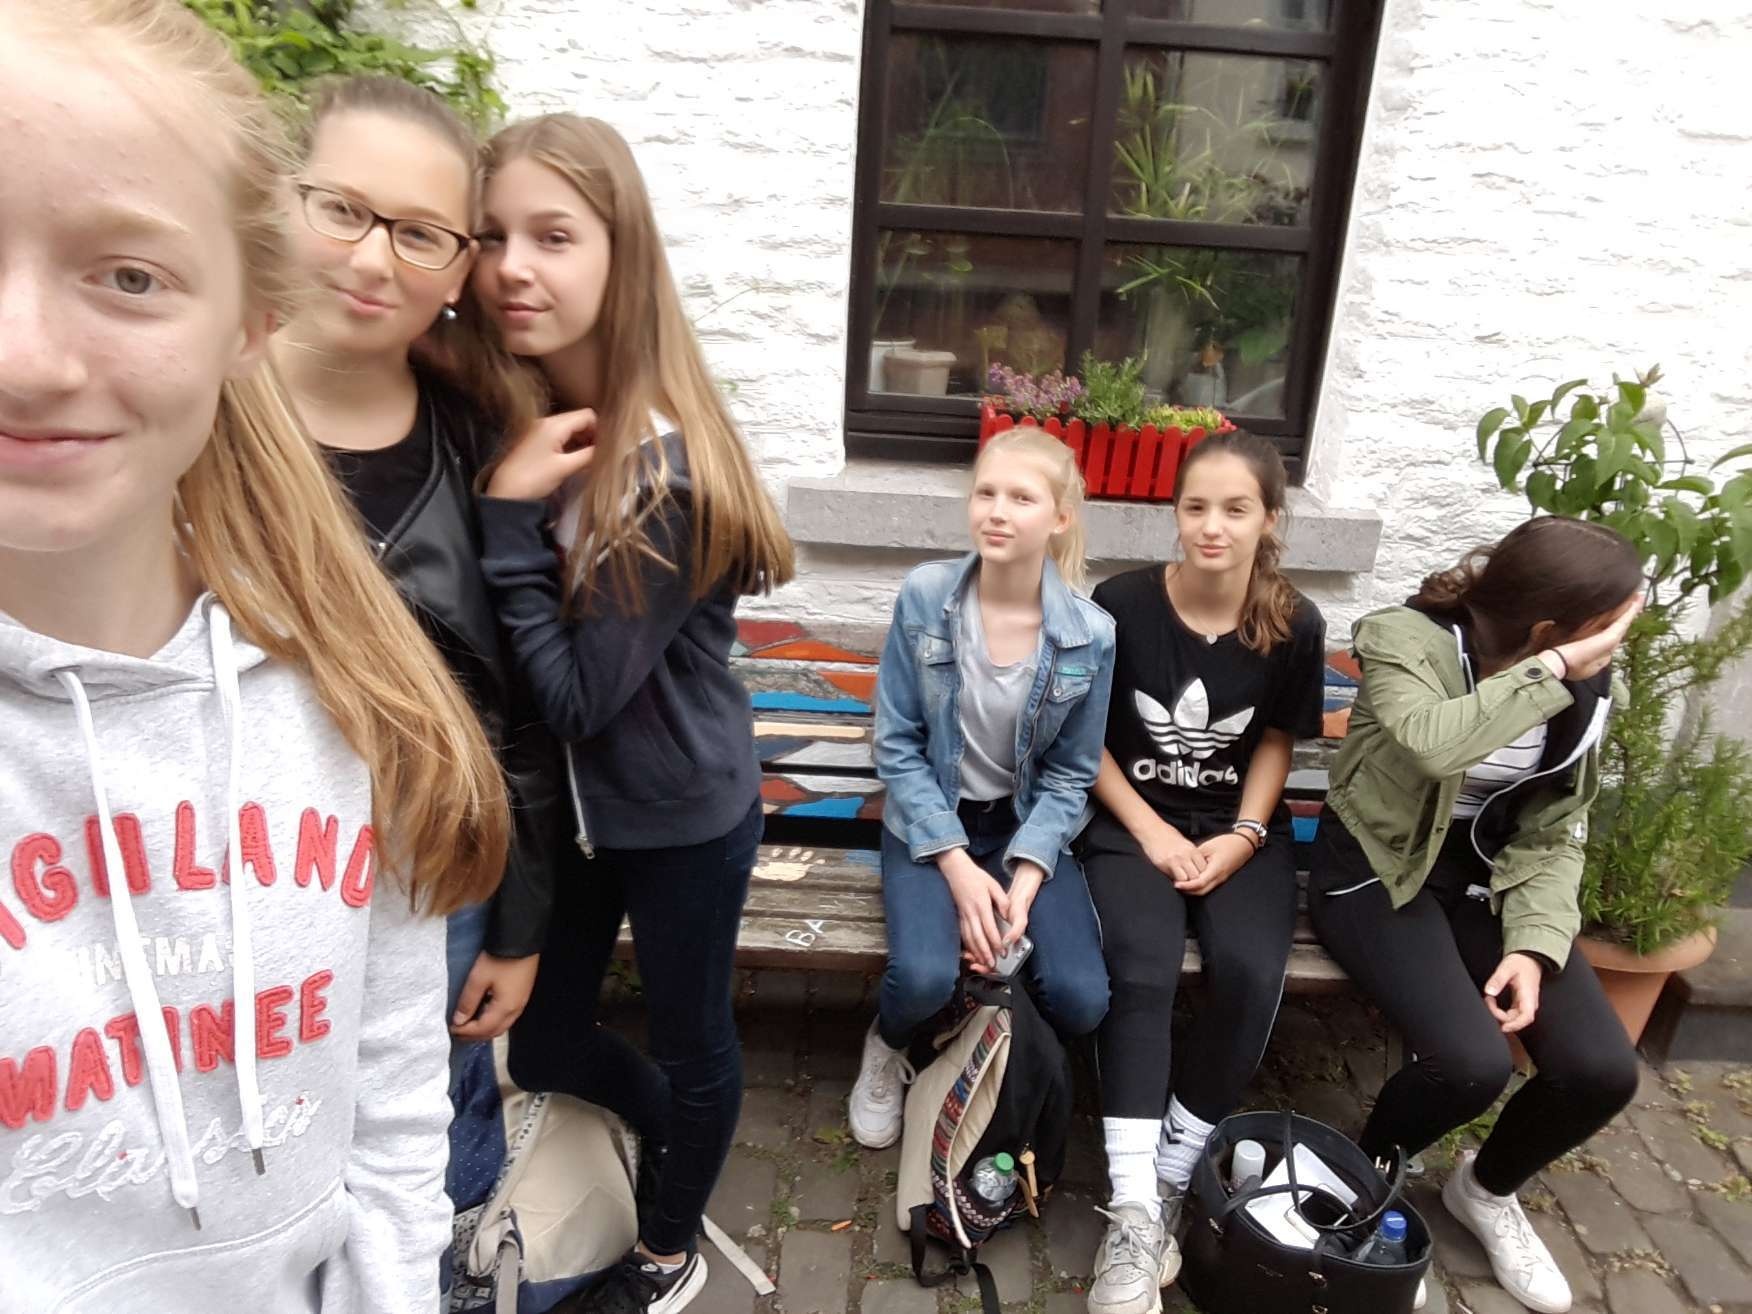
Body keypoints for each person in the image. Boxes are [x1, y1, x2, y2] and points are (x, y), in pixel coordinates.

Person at [0, 3, 510, 1311]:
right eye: (347, 212)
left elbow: (389, 1107)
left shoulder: (470, 466)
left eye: (127, 276)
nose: (27, 358)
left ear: (244, 316)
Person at [470, 114, 796, 1314]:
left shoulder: (661, 473)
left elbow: (574, 697)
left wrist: (508, 520)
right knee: (546, 1043)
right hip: (586, 816)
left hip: (680, 816)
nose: (513, 266)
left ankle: (667, 1252)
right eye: (492, 235)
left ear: (623, 257)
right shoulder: (544, 416)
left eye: (553, 236)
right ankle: (676, 1144)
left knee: (694, 1040)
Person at [271, 75, 568, 1179]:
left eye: (418, 234)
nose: (371, 259)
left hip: (434, 892)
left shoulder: (491, 446)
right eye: (341, 209)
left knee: (434, 1162)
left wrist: (518, 926)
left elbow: (521, 711)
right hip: (231, 902)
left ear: (457, 271)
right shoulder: (178, 423)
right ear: (282, 202)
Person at [1308, 516, 1645, 1314]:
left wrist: (1534, 945)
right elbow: (1433, 744)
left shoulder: (1591, 688)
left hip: (1486, 880)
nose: (1616, 646)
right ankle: (1365, 1183)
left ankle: (1485, 1189)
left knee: (1602, 1070)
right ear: (1548, 630)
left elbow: (1555, 829)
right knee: (1469, 1062)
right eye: (1609, 627)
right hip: (1378, 871)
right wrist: (1553, 670)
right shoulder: (1407, 639)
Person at [1079, 431, 1327, 1314]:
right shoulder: (1121, 604)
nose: (1212, 527)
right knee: (1142, 969)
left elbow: (1275, 740)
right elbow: (1089, 741)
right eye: (1195, 507)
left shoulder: (1294, 623)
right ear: (1174, 513)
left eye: (1235, 509)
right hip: (1131, 823)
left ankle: (1175, 1169)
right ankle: (1131, 1209)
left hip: (1237, 829)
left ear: (1270, 520)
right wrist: (1149, 831)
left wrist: (1247, 835)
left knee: (1251, 971)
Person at [849, 426, 1115, 1149]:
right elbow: (896, 745)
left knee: (1082, 999)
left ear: (1059, 517)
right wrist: (958, 868)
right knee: (922, 978)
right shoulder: (927, 596)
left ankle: (988, 1031)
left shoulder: (1090, 634)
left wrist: (1023, 882)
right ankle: (888, 1044)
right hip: (929, 821)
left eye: (1022, 498)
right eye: (986, 493)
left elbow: (1072, 772)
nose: (997, 511)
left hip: (1023, 828)